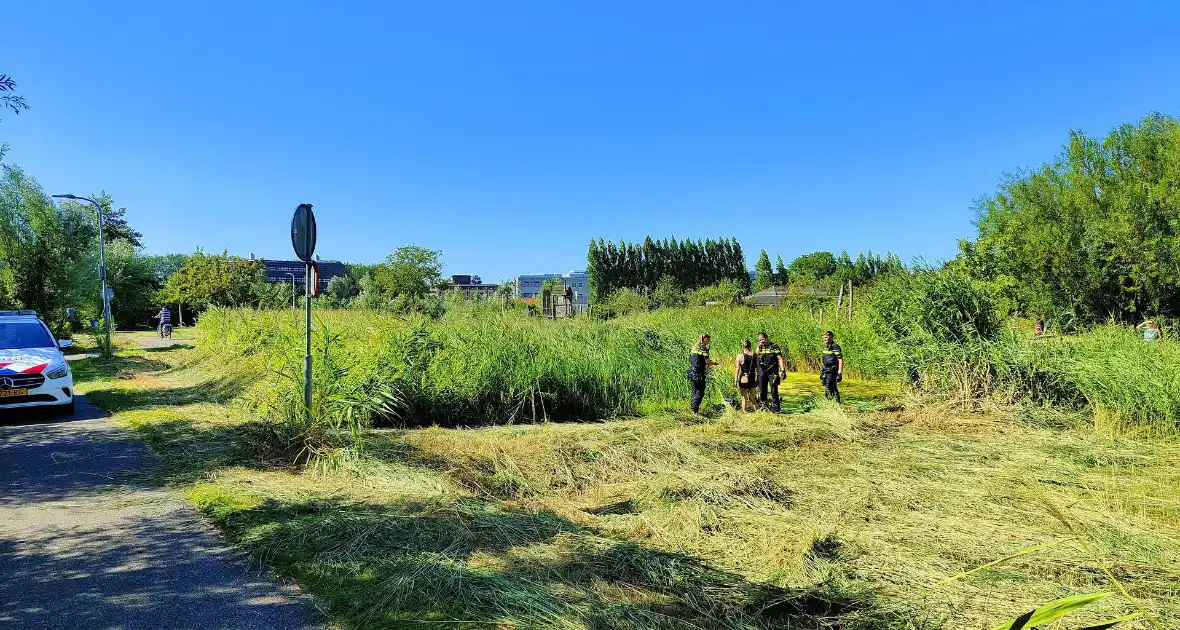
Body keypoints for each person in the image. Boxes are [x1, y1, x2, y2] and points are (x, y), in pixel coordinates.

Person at [686, 334, 719, 413]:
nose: (709, 342)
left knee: (694, 391)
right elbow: (707, 362)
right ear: (705, 339)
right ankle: (695, 411)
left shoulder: (694, 347)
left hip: (691, 372)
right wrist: (716, 363)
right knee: (700, 392)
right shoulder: (703, 348)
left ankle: (693, 410)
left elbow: (696, 360)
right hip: (699, 373)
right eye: (708, 340)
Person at [755, 332, 786, 411]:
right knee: (762, 390)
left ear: (766, 338)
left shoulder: (774, 346)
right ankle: (763, 406)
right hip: (762, 372)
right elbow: (755, 359)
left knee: (774, 390)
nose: (761, 341)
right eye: (759, 340)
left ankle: (776, 408)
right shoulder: (759, 347)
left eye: (762, 339)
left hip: (773, 372)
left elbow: (780, 358)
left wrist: (783, 371)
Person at [735, 340, 758, 412]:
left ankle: (744, 411)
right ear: (750, 346)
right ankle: (757, 411)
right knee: (753, 397)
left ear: (742, 347)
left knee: (744, 397)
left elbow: (737, 369)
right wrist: (757, 379)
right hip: (752, 378)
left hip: (743, 378)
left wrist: (735, 379)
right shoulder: (755, 355)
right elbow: (757, 368)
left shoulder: (740, 356)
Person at [820, 330, 843, 402]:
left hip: (832, 370)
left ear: (831, 337)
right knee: (832, 387)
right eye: (824, 337)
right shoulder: (826, 346)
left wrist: (839, 373)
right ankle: (836, 403)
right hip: (826, 370)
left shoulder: (835, 346)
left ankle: (829, 404)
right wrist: (822, 371)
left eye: (826, 337)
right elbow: (825, 359)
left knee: (828, 387)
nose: (824, 339)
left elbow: (840, 359)